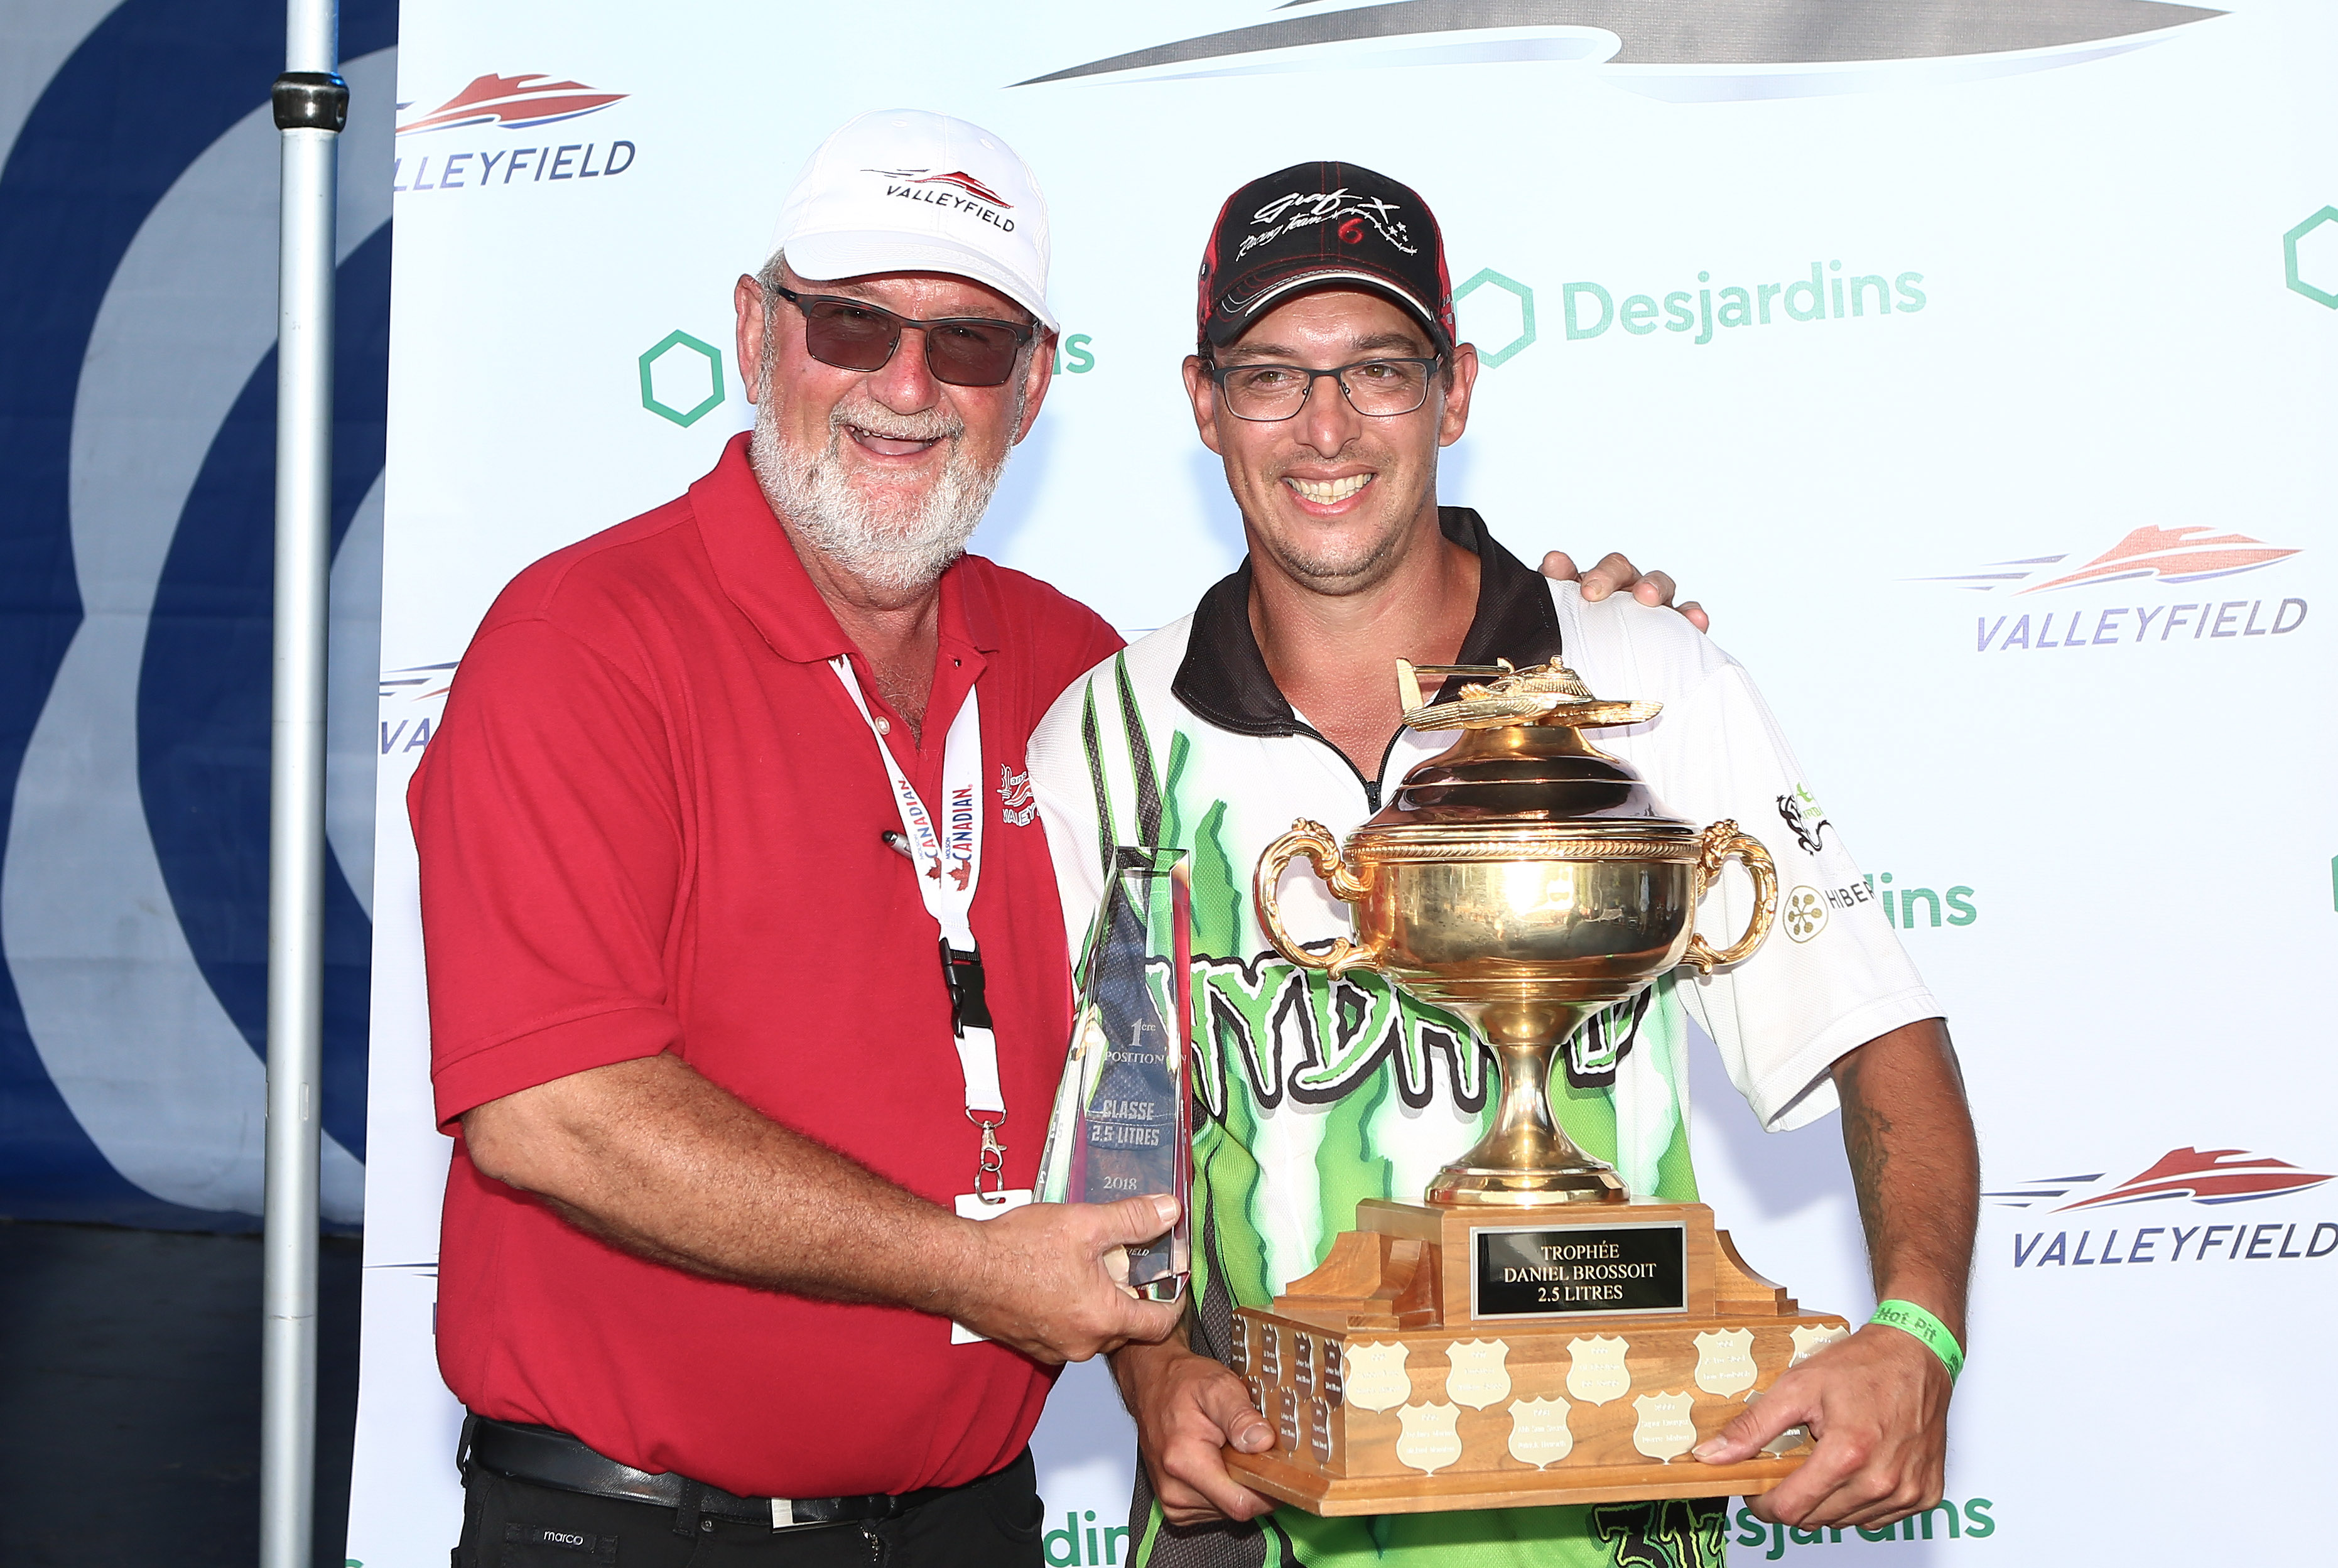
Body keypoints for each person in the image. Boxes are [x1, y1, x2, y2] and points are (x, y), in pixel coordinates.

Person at [410, 114, 1689, 1566]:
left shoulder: (1078, 681)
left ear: (1030, 390)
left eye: (966, 346)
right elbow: (552, 1110)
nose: (905, 387)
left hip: (973, 1522)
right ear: (758, 335)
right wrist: (963, 1265)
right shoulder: (584, 642)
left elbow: (1176, 1074)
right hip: (634, 1528)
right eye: (851, 325)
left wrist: (1563, 648)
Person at [1029, 161, 1980, 1568]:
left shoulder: (1642, 677)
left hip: (1614, 1518)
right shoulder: (1100, 743)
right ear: (1200, 402)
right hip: (1261, 1528)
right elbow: (1107, 1173)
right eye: (1272, 376)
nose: (1326, 427)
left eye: (1379, 371)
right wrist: (1151, 1376)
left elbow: (1875, 1032)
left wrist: (1913, 1331)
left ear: (1455, 391)